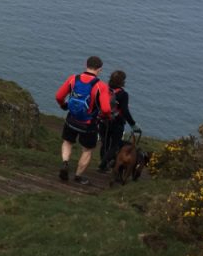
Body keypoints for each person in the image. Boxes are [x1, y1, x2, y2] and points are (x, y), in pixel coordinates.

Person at [55, 56, 111, 185]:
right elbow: (106, 109)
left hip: (72, 119)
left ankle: (65, 163)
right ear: (100, 69)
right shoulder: (101, 86)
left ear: (86, 65)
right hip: (89, 124)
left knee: (68, 141)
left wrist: (63, 105)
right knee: (87, 149)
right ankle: (78, 176)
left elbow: (59, 96)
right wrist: (105, 117)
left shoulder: (73, 79)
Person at [97, 70, 140, 172]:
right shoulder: (123, 94)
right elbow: (125, 111)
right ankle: (103, 164)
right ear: (122, 81)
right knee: (115, 145)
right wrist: (133, 124)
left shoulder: (103, 89)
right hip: (117, 123)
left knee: (105, 143)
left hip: (103, 120)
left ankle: (103, 165)